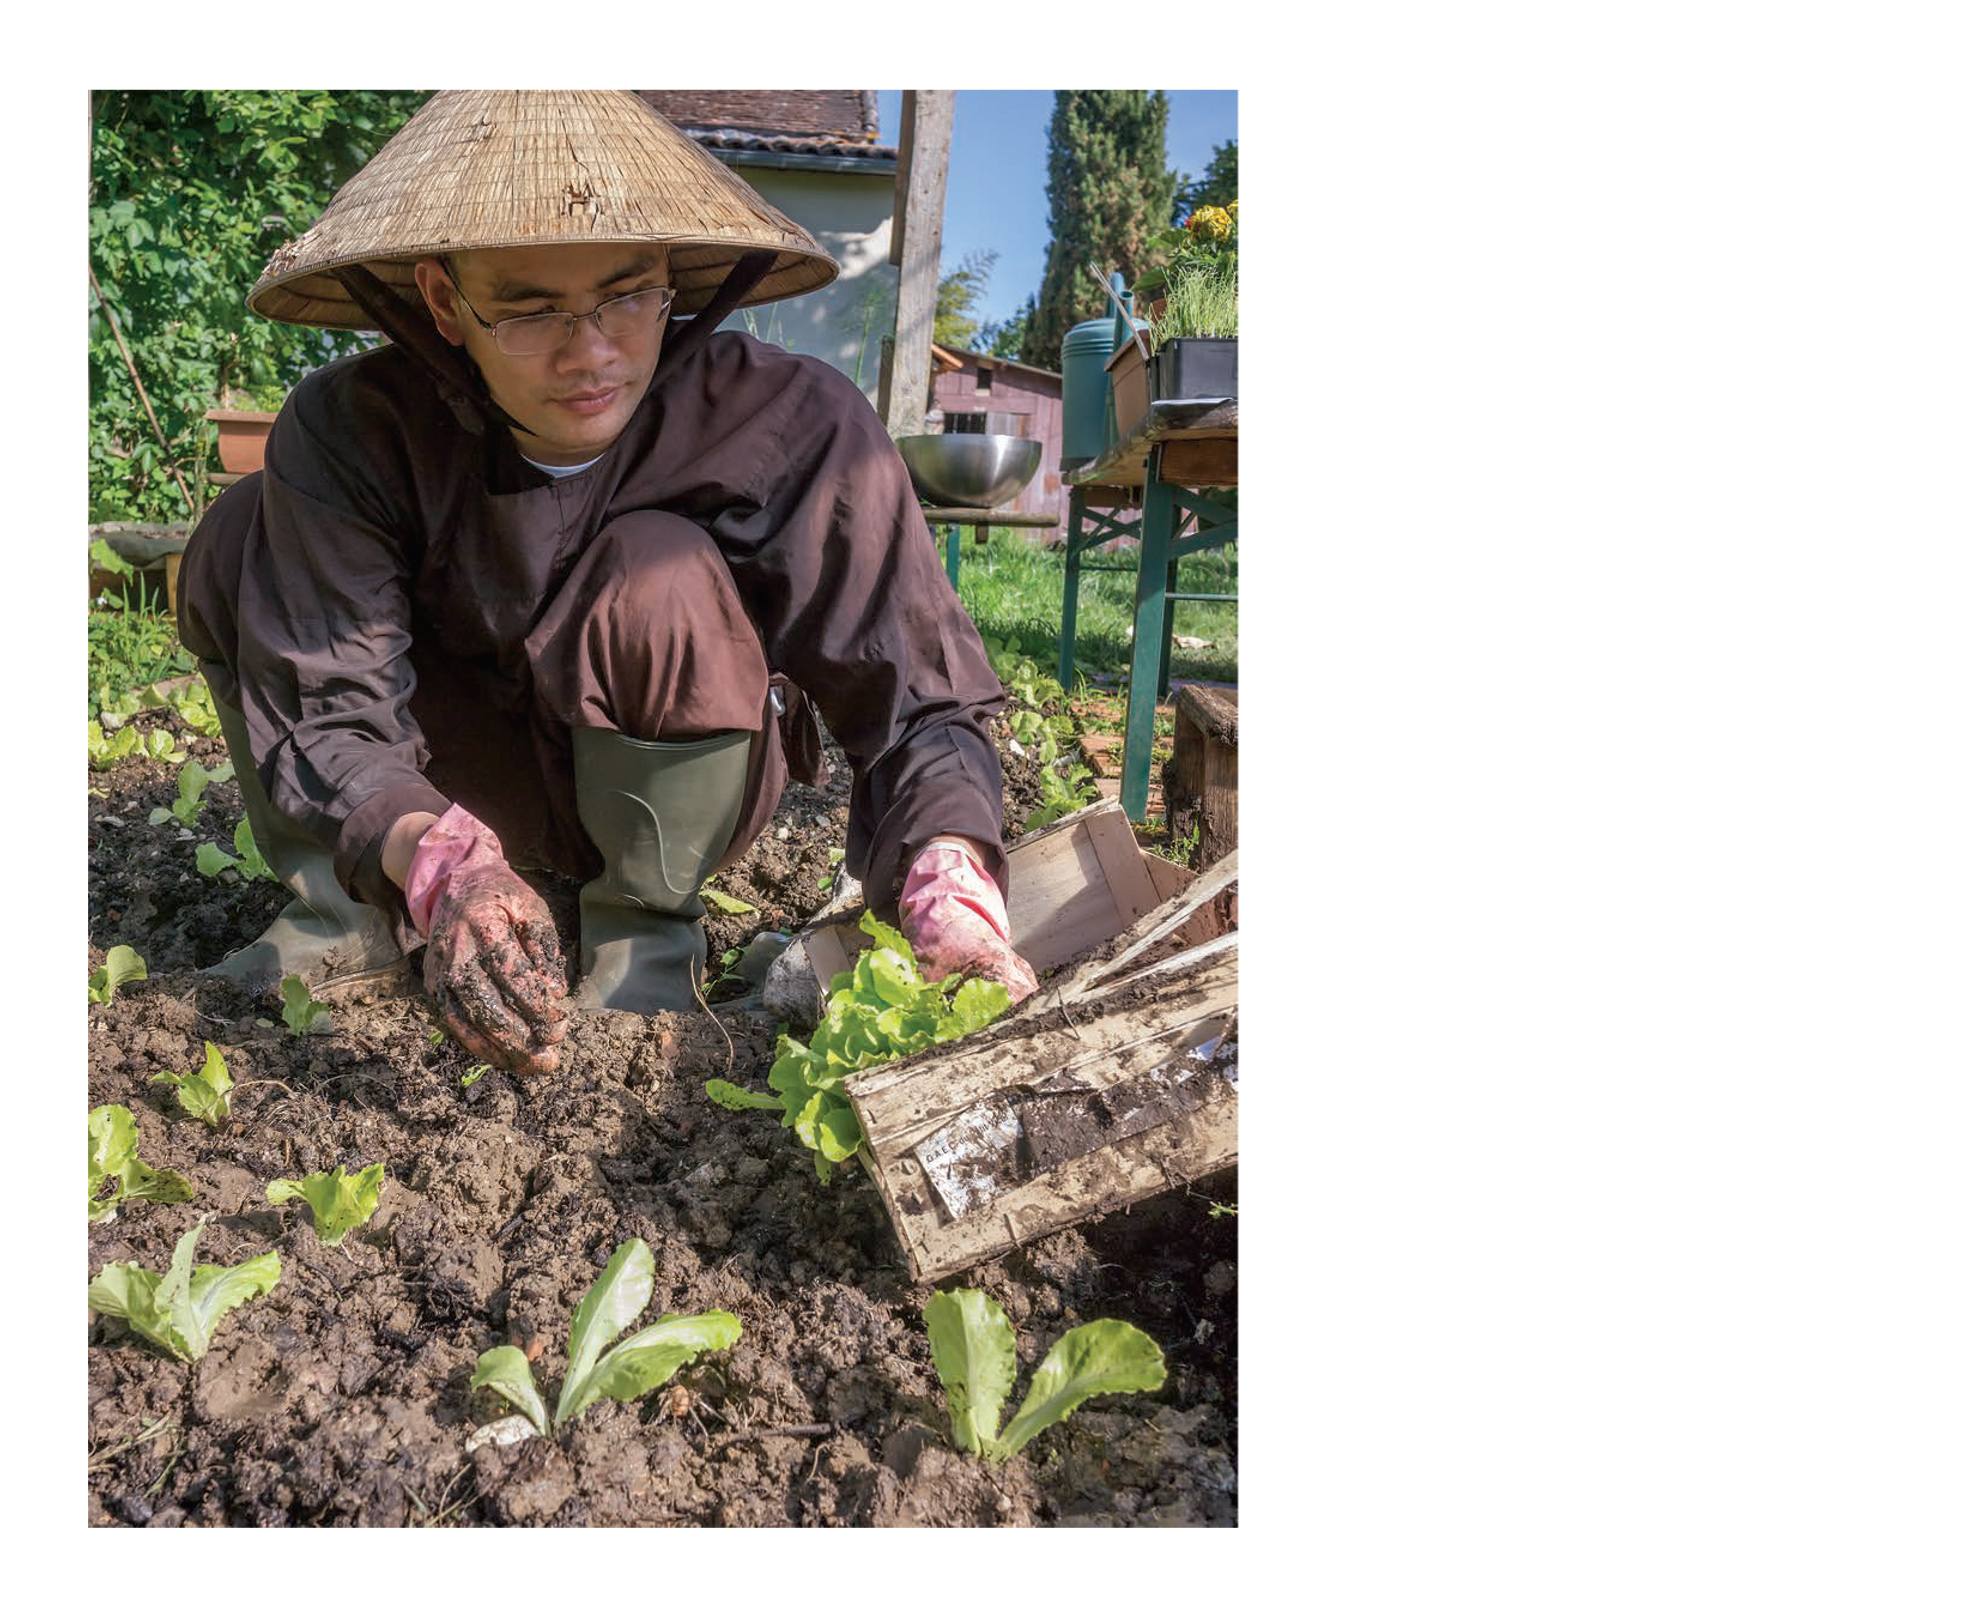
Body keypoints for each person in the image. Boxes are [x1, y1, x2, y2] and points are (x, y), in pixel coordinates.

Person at [178, 89, 1038, 1077]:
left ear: (669, 277)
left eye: (626, 297)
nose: (590, 352)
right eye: (530, 310)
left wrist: (949, 888)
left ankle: (642, 949)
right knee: (236, 535)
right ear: (443, 301)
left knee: (655, 570)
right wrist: (438, 859)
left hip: (657, 800)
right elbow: (330, 700)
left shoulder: (791, 426)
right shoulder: (354, 431)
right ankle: (348, 918)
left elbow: (918, 696)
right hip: (446, 790)